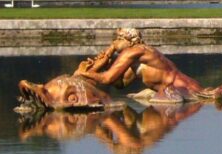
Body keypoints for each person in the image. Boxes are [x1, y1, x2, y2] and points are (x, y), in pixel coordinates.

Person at [76, 27, 204, 101]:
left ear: (129, 41)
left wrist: (83, 73)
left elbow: (107, 78)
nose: (115, 42)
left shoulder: (133, 51)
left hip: (182, 90)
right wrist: (105, 65)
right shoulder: (139, 56)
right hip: (186, 87)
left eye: (119, 39)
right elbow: (120, 83)